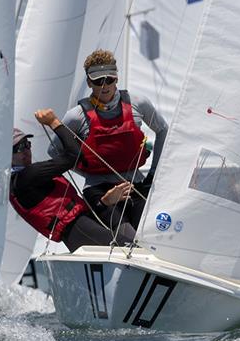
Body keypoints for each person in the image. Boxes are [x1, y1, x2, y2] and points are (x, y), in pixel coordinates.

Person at [49, 49, 168, 230]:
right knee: (125, 237)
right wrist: (86, 172)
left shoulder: (138, 102)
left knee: (150, 232)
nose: (104, 86)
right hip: (99, 190)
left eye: (109, 79)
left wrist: (153, 174)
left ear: (116, 79)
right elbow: (53, 151)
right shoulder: (76, 116)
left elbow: (163, 130)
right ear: (89, 82)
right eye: (98, 81)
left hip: (134, 184)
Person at [10, 109, 136, 252]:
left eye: (27, 144)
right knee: (133, 250)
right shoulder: (27, 177)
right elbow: (74, 155)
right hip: (79, 231)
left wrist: (104, 202)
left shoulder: (27, 178)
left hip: (82, 229)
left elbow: (74, 211)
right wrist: (54, 122)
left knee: (137, 243)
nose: (26, 150)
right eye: (19, 148)